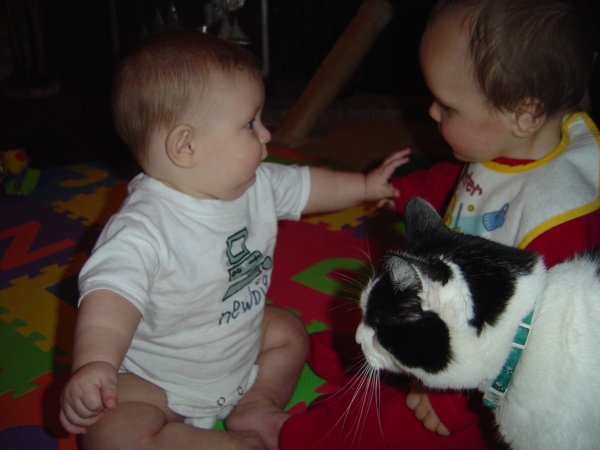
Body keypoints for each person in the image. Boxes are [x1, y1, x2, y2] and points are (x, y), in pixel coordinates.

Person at [58, 29, 410, 450]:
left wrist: (366, 186)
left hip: (241, 350)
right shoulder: (142, 228)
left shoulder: (257, 183)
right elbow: (109, 300)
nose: (266, 134)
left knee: (288, 330)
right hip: (158, 380)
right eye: (249, 123)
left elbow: (311, 186)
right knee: (108, 436)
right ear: (186, 146)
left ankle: (257, 404)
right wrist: (96, 363)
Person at [279, 0, 600, 448]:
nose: (432, 113)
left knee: (376, 428)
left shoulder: (560, 213)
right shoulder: (505, 145)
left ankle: (292, 431)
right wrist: (404, 192)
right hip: (444, 317)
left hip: (491, 387)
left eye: (448, 107)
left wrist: (452, 404)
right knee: (371, 337)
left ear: (523, 114)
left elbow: (545, 351)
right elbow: (464, 184)